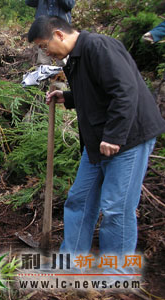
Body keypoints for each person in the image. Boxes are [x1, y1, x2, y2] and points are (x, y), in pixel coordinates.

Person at [27, 16, 165, 267]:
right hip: (98, 142)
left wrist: (113, 136)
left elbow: (125, 91)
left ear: (58, 34)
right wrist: (68, 98)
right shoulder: (76, 57)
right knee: (79, 200)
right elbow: (98, 92)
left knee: (116, 208)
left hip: (128, 139)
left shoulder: (99, 47)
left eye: (44, 46)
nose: (45, 52)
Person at [25, 0, 75, 65]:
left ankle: (65, 74)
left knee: (64, 62)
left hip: (60, 27)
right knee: (43, 62)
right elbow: (30, 2)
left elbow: (69, 4)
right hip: (42, 28)